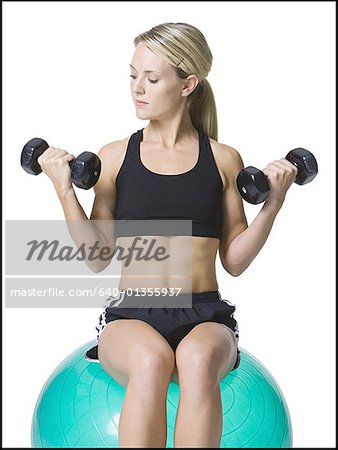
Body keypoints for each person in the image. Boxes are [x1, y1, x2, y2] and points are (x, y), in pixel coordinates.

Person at [37, 22, 298, 448]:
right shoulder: (116, 157)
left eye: (151, 78)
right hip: (132, 315)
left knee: (195, 361)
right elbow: (97, 256)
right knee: (150, 359)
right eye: (133, 75)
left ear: (187, 84)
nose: (137, 88)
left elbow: (234, 260)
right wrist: (64, 189)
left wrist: (273, 204)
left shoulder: (223, 159)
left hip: (205, 314)